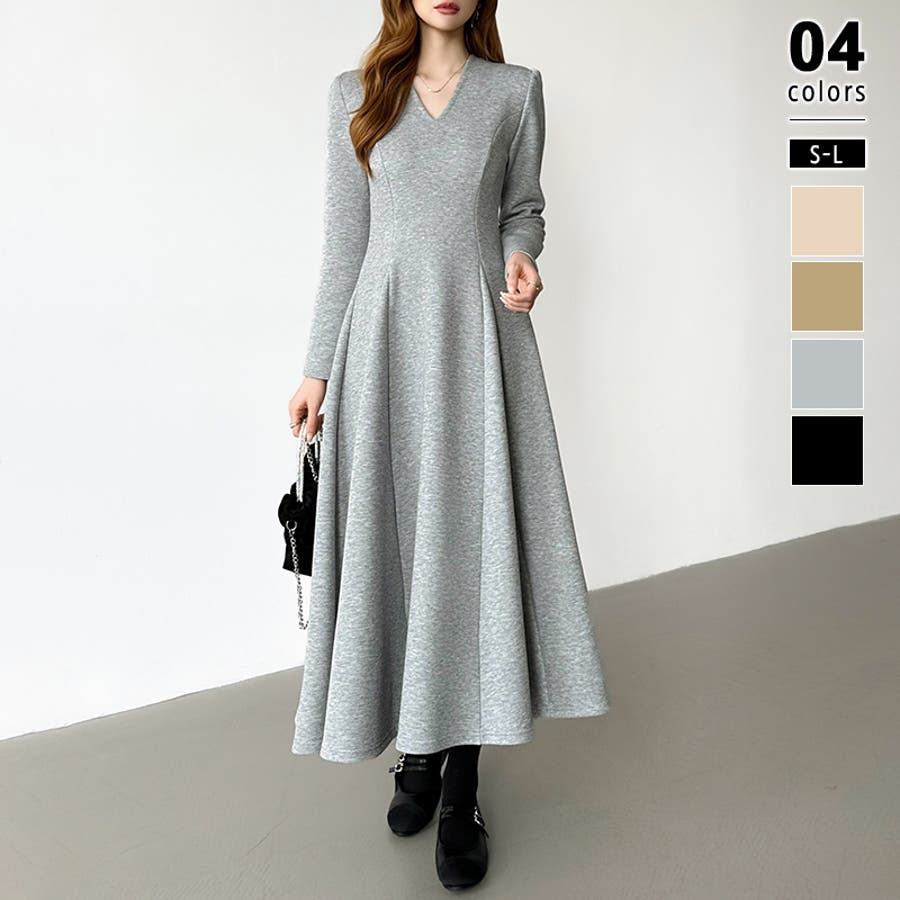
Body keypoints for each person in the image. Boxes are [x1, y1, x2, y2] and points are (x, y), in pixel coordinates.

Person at [286, 0, 609, 890]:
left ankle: (459, 786)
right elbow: (345, 242)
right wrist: (317, 369)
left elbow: (523, 208)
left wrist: (522, 255)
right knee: (401, 550)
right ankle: (417, 751)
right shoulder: (356, 95)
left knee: (468, 555)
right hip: (384, 349)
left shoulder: (514, 91)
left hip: (477, 345)